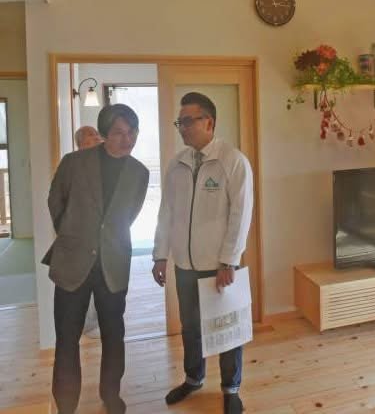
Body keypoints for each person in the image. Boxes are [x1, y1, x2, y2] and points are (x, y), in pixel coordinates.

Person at [43, 104, 149, 414]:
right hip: (72, 262)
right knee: (67, 338)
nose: (127, 139)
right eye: (119, 133)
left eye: (132, 132)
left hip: (113, 264)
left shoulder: (140, 172)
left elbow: (130, 213)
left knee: (114, 335)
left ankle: (111, 395)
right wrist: (73, 234)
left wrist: (107, 240)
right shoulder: (74, 162)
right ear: (104, 134)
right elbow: (55, 200)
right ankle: (66, 405)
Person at [152, 92, 253, 414]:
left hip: (218, 266)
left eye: (188, 121)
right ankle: (193, 378)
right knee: (190, 326)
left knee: (226, 328)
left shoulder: (232, 161)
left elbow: (240, 214)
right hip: (184, 264)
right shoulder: (177, 164)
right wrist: (160, 254)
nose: (182, 127)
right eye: (179, 122)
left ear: (208, 122)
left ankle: (231, 389)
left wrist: (229, 261)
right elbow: (166, 212)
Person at [73, 125, 104, 338]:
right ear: (81, 143)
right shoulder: (73, 164)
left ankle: (99, 320)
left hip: (104, 235)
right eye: (92, 135)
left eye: (97, 134)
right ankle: (88, 323)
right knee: (85, 278)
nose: (97, 137)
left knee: (103, 278)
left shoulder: (104, 162)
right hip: (81, 234)